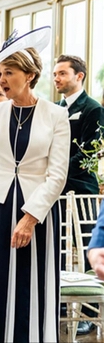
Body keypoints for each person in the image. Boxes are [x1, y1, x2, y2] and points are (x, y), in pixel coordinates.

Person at [0, 26, 70, 342]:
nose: (2, 79)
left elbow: (57, 175)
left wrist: (31, 216)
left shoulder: (56, 116)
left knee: (30, 280)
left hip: (37, 212)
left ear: (30, 75)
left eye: (9, 72)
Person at [53, 54, 104, 335]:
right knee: (57, 246)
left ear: (79, 76)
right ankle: (59, 302)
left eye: (62, 73)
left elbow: (90, 151)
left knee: (86, 249)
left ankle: (89, 312)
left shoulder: (93, 109)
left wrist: (56, 172)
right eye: (55, 74)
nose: (57, 78)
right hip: (57, 191)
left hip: (81, 189)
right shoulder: (57, 108)